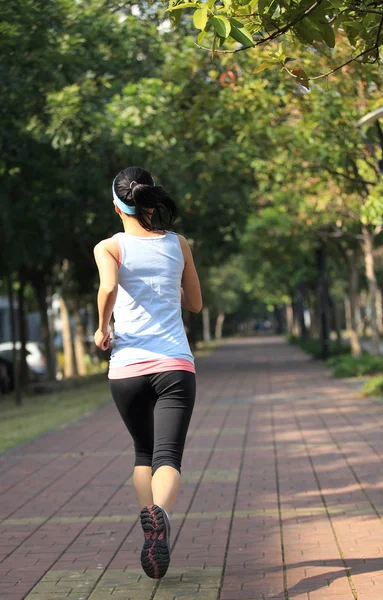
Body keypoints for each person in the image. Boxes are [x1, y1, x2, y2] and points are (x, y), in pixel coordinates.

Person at [93, 166, 202, 580]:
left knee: (143, 451)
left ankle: (148, 523)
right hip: (175, 365)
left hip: (127, 369)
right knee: (168, 456)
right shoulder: (179, 244)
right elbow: (194, 304)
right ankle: (160, 519)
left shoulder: (109, 247)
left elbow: (106, 289)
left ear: (117, 204)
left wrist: (102, 328)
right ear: (152, 200)